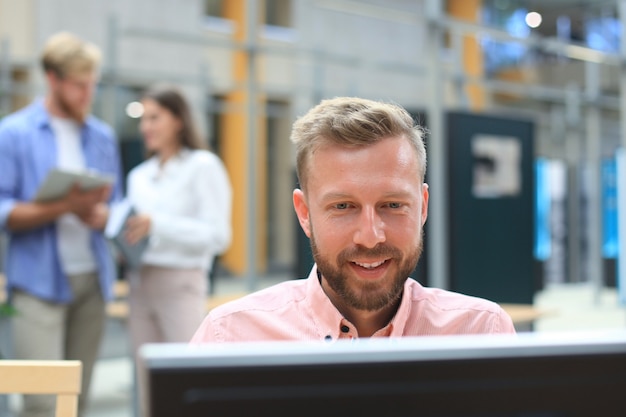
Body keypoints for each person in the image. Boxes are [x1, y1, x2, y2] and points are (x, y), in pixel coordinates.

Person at [191, 96, 515, 343]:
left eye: (392, 204)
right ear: (304, 213)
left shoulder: (481, 333)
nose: (370, 236)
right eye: (343, 206)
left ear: (422, 207)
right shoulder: (231, 338)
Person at [0, 32, 123, 416]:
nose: (88, 94)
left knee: (77, 401)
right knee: (41, 402)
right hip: (37, 283)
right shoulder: (13, 133)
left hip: (92, 280)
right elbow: (3, 210)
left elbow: (116, 206)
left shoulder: (101, 135)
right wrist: (64, 207)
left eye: (92, 85)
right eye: (78, 85)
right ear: (52, 79)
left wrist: (104, 216)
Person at [123, 85, 232, 357]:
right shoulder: (138, 176)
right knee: (146, 379)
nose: (145, 126)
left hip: (180, 284)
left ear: (179, 120)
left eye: (154, 117)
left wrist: (157, 224)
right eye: (143, 119)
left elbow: (218, 236)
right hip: (138, 283)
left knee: (185, 372)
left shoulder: (203, 166)